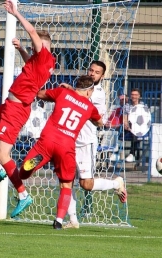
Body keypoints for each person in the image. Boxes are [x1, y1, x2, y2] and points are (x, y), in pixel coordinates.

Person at [0, 0, 55, 218]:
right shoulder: (41, 61)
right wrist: (23, 49)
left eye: (36, 44)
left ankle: (23, 194)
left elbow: (33, 31)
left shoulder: (44, 55)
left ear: (44, 46)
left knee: (2, 152)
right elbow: (31, 66)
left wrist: (16, 13)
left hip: (16, 110)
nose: (34, 45)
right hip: (8, 105)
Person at [18, 75, 103, 229]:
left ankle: (29, 167)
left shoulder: (62, 93)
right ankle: (58, 220)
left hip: (48, 140)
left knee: (23, 173)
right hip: (66, 146)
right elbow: (99, 122)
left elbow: (40, 94)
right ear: (89, 92)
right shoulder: (90, 107)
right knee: (66, 184)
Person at [60, 61, 127, 229]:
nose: (92, 73)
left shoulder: (97, 93)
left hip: (85, 142)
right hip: (68, 140)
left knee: (86, 184)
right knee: (65, 181)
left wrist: (67, 90)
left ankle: (116, 184)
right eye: (91, 70)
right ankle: (73, 220)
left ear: (102, 76)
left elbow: (79, 96)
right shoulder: (79, 87)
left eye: (97, 72)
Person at [123, 88, 145, 162]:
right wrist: (126, 125)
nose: (134, 96)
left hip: (140, 128)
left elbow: (145, 119)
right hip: (129, 128)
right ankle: (116, 152)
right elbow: (125, 118)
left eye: (136, 95)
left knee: (135, 133)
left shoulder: (143, 106)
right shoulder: (127, 106)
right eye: (132, 94)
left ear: (139, 96)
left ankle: (132, 154)